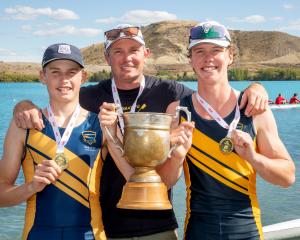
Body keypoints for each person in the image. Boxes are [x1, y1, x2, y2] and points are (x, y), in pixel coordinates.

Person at [13, 24, 269, 239]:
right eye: (117, 51)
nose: (127, 58)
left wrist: (255, 88)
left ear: (146, 54)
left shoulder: (171, 93)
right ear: (107, 58)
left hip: (158, 225)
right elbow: (58, 96)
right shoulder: (88, 96)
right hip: (106, 227)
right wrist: (23, 106)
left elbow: (212, 99)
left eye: (134, 50)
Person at [165, 21, 295, 240]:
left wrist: (254, 158)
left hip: (248, 231)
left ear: (230, 57)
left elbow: (287, 177)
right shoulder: (178, 111)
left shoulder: (255, 109)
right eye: (199, 51)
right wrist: (177, 156)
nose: (208, 59)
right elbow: (165, 182)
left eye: (216, 50)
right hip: (198, 231)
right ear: (191, 61)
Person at [0, 43, 107, 240]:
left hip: (91, 235)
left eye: (71, 72)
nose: (64, 80)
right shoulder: (23, 126)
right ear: (43, 76)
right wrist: (30, 187)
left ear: (83, 77)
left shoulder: (101, 125)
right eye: (55, 72)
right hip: (37, 234)